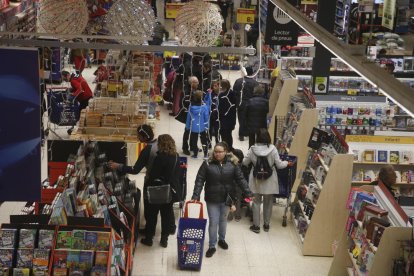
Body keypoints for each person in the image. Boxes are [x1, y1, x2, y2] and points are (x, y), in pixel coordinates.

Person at [108, 125, 176, 235]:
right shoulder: (161, 142)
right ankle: (171, 227)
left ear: (143, 137)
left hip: (152, 182)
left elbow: (135, 170)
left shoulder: (147, 150)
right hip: (167, 180)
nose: (137, 137)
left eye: (138, 135)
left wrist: (118, 166)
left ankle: (149, 232)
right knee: (167, 207)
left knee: (150, 208)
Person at [191, 142, 253, 258]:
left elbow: (241, 179)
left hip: (227, 199)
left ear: (226, 152)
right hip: (212, 198)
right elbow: (199, 180)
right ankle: (212, 245)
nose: (217, 154)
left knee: (223, 221)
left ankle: (222, 240)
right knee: (213, 222)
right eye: (216, 151)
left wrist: (248, 192)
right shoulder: (207, 164)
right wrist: (196, 195)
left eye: (220, 152)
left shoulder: (233, 164)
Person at [242, 128, 290, 233]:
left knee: (256, 202)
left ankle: (256, 226)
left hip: (256, 180)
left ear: (257, 137)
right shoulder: (273, 149)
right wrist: (287, 162)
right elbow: (279, 165)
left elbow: (245, 162)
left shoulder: (252, 149)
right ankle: (266, 225)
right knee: (268, 203)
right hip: (270, 180)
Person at [140, 134, 181, 248]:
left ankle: (149, 239)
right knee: (166, 216)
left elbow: (154, 175)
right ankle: (164, 240)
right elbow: (177, 174)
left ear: (161, 144)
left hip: (157, 191)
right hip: (170, 191)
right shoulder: (176, 156)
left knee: (152, 215)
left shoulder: (160, 157)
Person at [233, 67, 258, 141]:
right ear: (252, 73)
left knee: (241, 118)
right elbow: (256, 94)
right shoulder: (255, 83)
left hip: (240, 103)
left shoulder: (238, 81)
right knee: (249, 119)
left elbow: (234, 92)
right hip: (251, 104)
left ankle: (241, 135)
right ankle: (248, 133)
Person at [185, 90, 210, 159]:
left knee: (194, 141)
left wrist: (187, 126)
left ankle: (195, 154)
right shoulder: (204, 107)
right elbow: (206, 117)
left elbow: (188, 118)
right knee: (204, 141)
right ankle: (205, 154)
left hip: (193, 128)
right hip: (202, 127)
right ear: (201, 98)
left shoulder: (191, 107)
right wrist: (206, 126)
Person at [180, 76, 200, 155]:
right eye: (196, 82)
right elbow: (181, 103)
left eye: (197, 82)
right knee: (187, 131)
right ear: (191, 83)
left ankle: (193, 146)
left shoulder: (196, 90)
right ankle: (185, 148)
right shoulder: (186, 91)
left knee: (194, 131)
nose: (198, 83)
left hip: (195, 114)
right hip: (188, 114)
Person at [217, 79, 237, 150]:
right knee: (229, 134)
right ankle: (230, 147)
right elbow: (235, 106)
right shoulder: (232, 93)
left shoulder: (221, 95)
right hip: (231, 118)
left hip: (223, 118)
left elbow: (219, 108)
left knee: (223, 134)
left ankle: (224, 147)